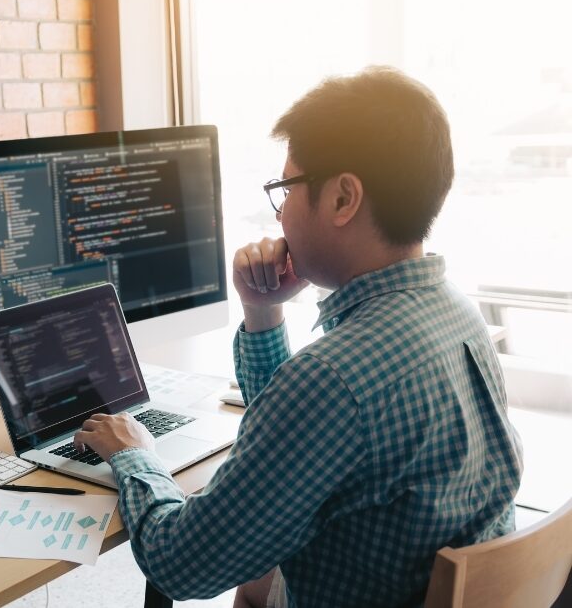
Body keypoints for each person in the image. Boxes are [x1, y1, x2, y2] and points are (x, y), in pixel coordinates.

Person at [73, 67, 523, 608]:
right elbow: (297, 458)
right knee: (256, 579)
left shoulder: (335, 379)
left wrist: (134, 453)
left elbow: (180, 566)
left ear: (343, 199)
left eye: (285, 190)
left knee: (244, 577)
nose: (281, 215)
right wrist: (262, 313)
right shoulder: (458, 314)